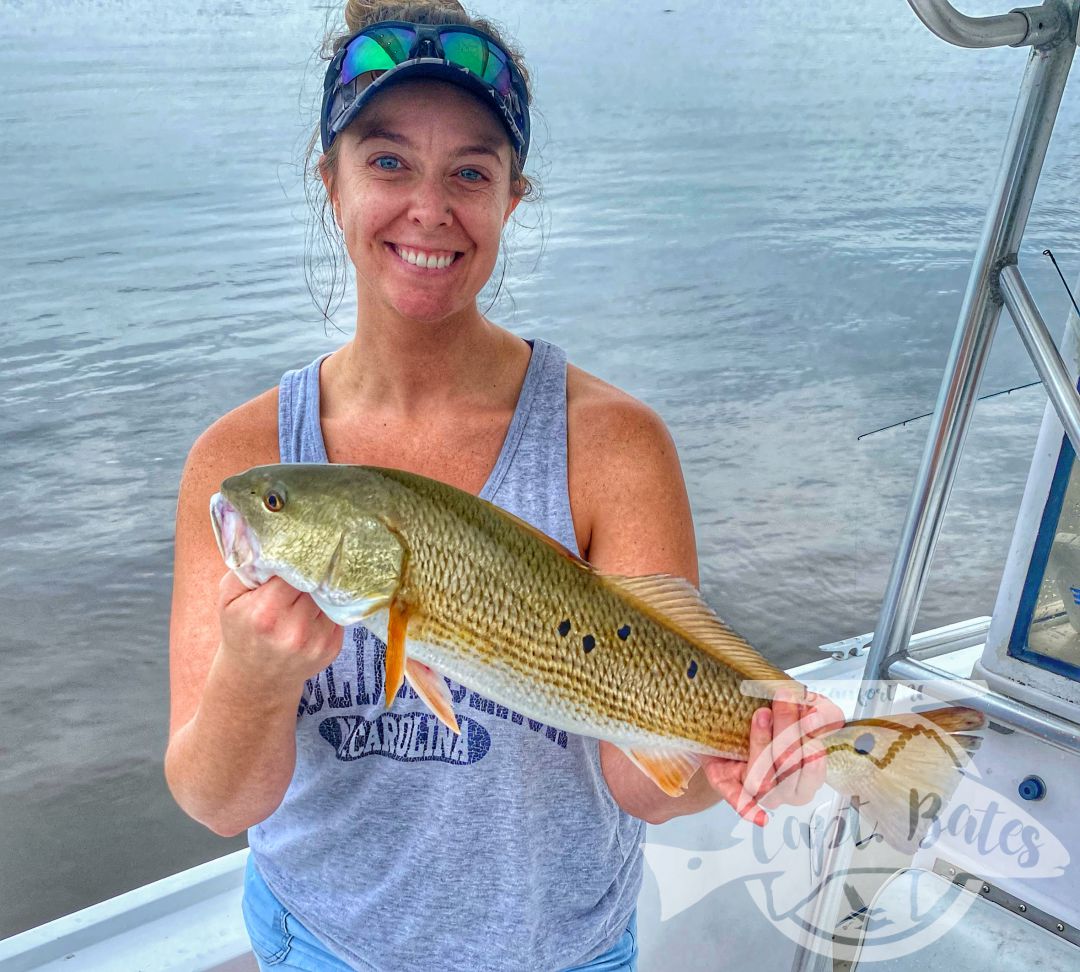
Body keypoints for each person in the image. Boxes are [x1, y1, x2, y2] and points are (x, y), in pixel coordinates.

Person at [164, 2, 842, 970]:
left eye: (470, 173)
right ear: (332, 182)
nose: (429, 210)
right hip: (321, 939)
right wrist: (254, 675)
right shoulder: (235, 454)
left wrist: (736, 753)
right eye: (388, 161)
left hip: (563, 945)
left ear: (512, 198)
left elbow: (647, 785)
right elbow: (218, 803)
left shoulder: (614, 442)